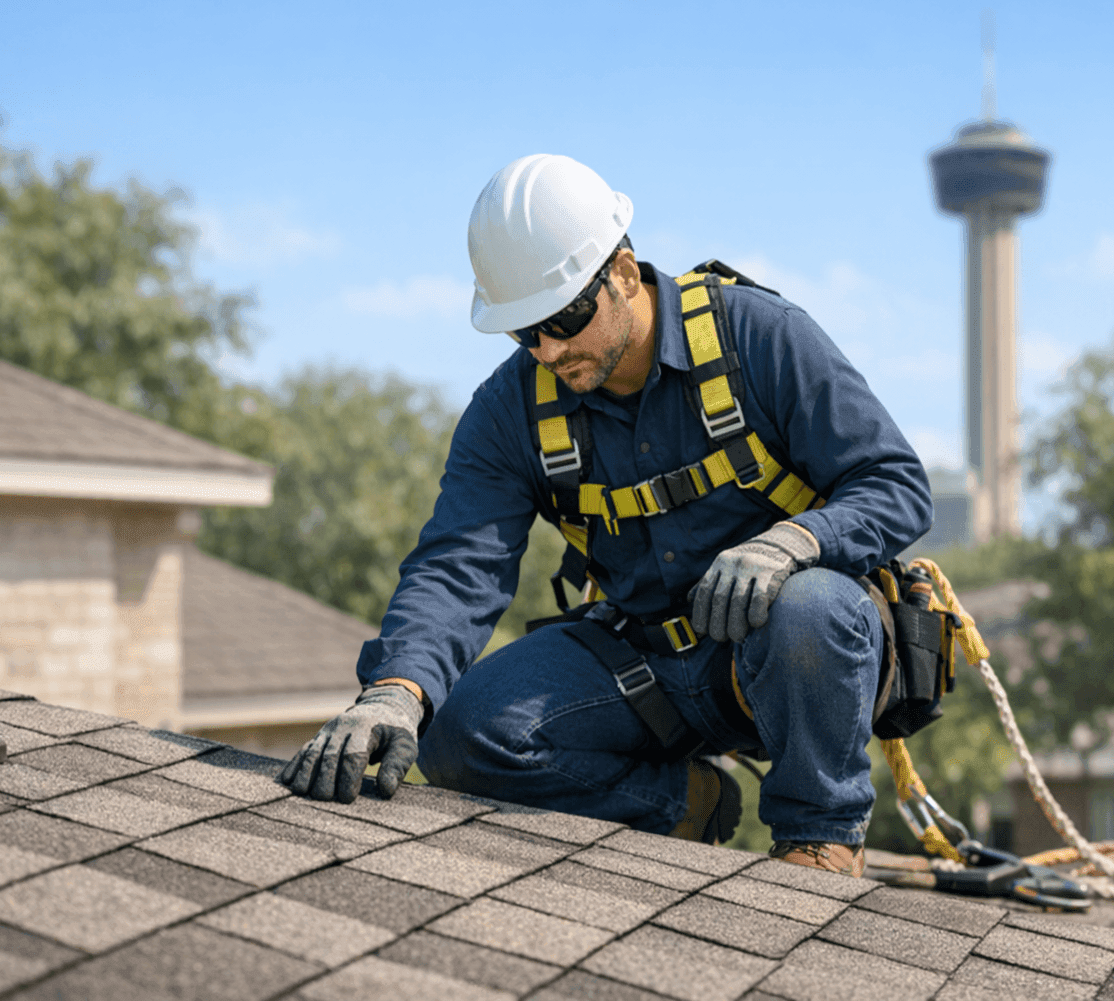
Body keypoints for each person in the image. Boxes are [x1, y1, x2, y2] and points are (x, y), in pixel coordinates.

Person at [278, 154, 932, 876]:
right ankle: (683, 803)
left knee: (811, 604)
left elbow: (896, 483)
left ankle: (820, 838)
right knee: (460, 733)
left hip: (788, 660)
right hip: (646, 670)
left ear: (623, 272)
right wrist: (396, 692)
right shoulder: (511, 410)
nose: (549, 350)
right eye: (525, 332)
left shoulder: (760, 337)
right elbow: (459, 563)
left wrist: (798, 540)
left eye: (564, 319)